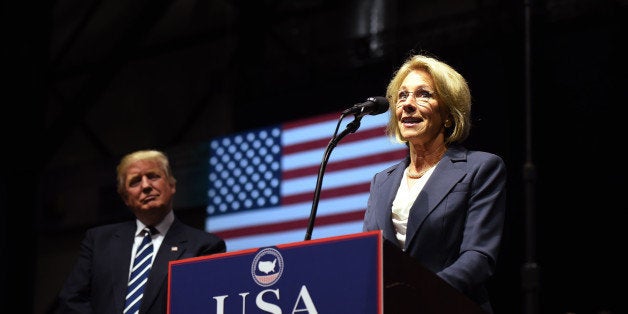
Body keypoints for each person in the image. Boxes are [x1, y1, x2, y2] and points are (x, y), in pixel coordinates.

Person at [362, 53, 506, 313]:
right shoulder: (381, 181)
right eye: (402, 95)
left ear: (448, 114)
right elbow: (369, 258)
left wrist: (420, 295)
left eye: (423, 94)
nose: (407, 104)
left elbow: (478, 258)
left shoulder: (481, 168)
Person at [57, 149, 226, 314]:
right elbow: (71, 300)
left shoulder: (205, 246)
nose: (146, 186)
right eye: (135, 181)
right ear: (125, 197)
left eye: (153, 176)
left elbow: (204, 306)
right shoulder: (99, 240)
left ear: (171, 185)